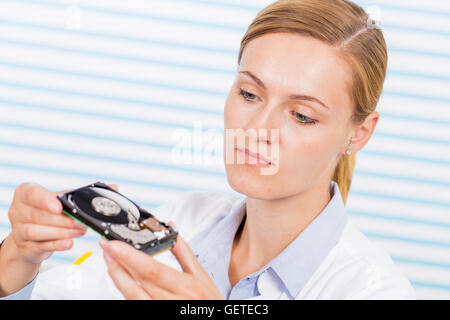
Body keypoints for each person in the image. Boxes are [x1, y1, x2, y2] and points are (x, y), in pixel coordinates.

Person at [0, 0, 416, 299]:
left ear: (358, 134)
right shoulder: (180, 220)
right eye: (249, 93)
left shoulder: (371, 290)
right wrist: (17, 260)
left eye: (302, 115)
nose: (256, 129)